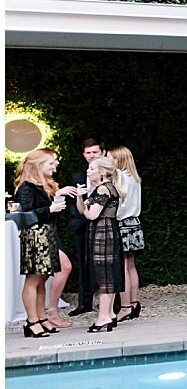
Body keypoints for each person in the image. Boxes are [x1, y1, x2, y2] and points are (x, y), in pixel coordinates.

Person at [13, 149, 77, 336]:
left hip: (46, 233)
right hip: (35, 235)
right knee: (33, 280)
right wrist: (51, 208)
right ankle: (31, 321)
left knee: (42, 280)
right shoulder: (26, 186)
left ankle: (41, 318)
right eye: (50, 163)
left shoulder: (40, 186)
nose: (54, 166)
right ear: (38, 164)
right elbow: (25, 213)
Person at [75, 154, 125, 333]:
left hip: (103, 234)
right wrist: (80, 197)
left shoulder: (103, 189)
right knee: (108, 274)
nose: (88, 172)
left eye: (92, 169)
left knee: (104, 276)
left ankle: (103, 316)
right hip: (106, 231)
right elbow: (83, 210)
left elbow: (91, 215)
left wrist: (85, 205)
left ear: (103, 171)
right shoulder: (104, 188)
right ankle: (109, 313)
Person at [66, 138, 104, 320]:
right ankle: (84, 302)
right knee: (83, 262)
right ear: (83, 155)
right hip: (82, 224)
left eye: (95, 152)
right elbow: (71, 200)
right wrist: (77, 217)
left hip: (102, 223)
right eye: (88, 153)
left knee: (106, 262)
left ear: (102, 153)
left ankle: (115, 301)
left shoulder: (109, 176)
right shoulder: (78, 176)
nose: (91, 156)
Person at [109, 145, 145, 322]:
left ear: (119, 159)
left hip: (121, 223)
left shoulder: (119, 176)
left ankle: (125, 307)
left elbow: (119, 205)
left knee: (121, 268)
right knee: (131, 266)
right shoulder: (135, 177)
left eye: (111, 158)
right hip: (134, 223)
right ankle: (134, 301)